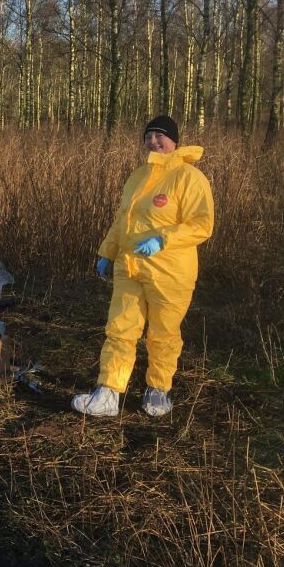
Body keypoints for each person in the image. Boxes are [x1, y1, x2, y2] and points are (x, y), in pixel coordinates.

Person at [73, 116, 215, 418]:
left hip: (170, 272)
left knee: (163, 334)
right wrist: (107, 252)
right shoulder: (138, 177)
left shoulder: (189, 177)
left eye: (160, 136)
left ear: (174, 141)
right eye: (148, 136)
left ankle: (158, 390)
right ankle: (108, 392)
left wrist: (163, 240)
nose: (153, 141)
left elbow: (202, 225)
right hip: (130, 267)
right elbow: (123, 219)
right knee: (120, 329)